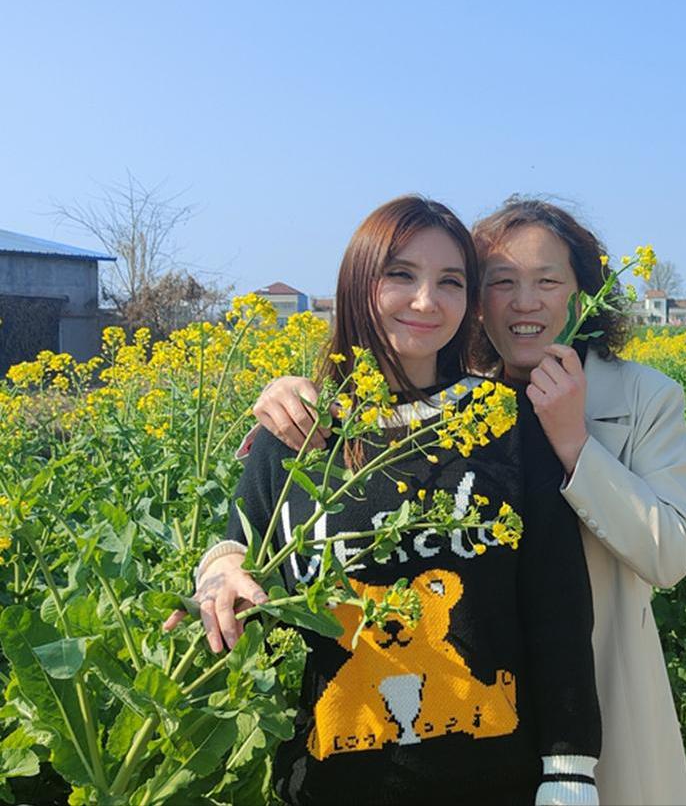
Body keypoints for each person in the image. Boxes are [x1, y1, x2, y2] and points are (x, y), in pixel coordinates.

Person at [248, 198, 686, 805]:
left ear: (583, 292)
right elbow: (259, 534)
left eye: (548, 281)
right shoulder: (445, 388)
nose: (524, 301)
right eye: (501, 282)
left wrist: (571, 441)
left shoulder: (644, 397)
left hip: (589, 684)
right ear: (479, 301)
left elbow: (669, 555)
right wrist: (288, 398)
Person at [168, 196, 601, 805]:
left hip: (491, 781)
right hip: (333, 782)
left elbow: (557, 608)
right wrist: (220, 571)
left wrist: (570, 769)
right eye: (401, 274)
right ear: (358, 283)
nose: (427, 301)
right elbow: (240, 543)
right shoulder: (300, 427)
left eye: (450, 281)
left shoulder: (506, 423)